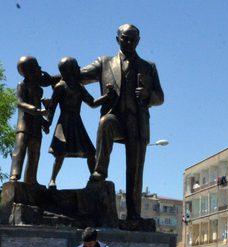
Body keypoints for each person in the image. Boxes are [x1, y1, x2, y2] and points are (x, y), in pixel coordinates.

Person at [80, 24, 164, 226]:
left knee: (135, 169)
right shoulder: (105, 62)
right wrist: (53, 77)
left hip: (137, 122)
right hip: (116, 118)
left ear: (139, 40)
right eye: (125, 38)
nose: (129, 42)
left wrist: (147, 95)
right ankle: (100, 171)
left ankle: (134, 213)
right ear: (117, 38)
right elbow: (78, 75)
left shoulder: (148, 66)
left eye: (133, 39)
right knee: (105, 122)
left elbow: (160, 97)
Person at [46, 57, 115, 188]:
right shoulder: (60, 87)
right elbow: (52, 107)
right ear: (70, 70)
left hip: (77, 123)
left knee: (90, 153)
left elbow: (92, 103)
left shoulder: (79, 87)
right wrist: (48, 123)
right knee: (60, 153)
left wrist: (107, 96)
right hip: (64, 122)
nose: (79, 68)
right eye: (76, 66)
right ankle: (52, 180)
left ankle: (95, 180)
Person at [9, 55, 51, 184]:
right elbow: (20, 104)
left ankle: (31, 179)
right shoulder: (22, 85)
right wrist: (37, 111)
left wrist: (44, 123)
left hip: (36, 127)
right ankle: (14, 175)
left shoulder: (39, 89)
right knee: (19, 150)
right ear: (30, 71)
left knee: (34, 154)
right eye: (37, 67)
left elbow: (39, 107)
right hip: (24, 126)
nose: (40, 68)